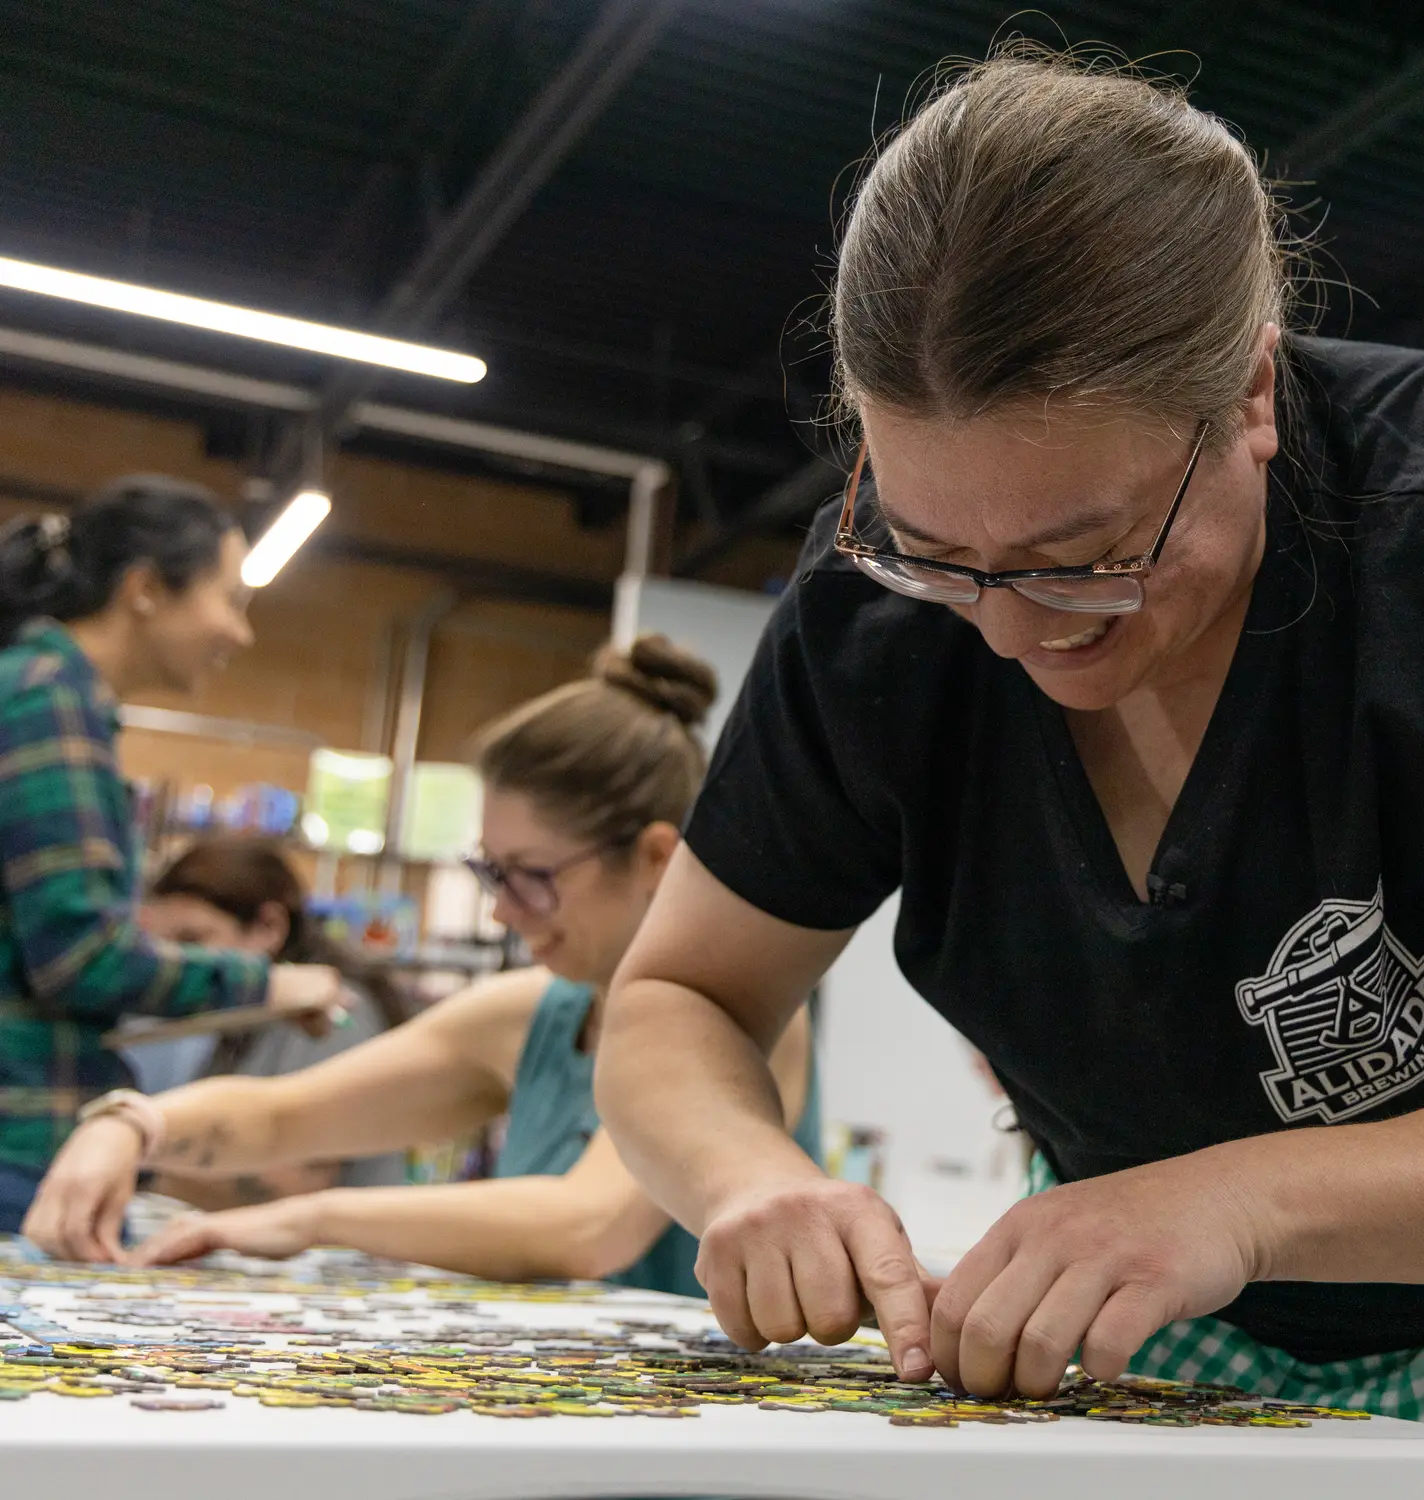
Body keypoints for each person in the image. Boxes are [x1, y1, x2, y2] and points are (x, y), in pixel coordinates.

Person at [595, 50, 1424, 1496]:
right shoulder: (880, 622)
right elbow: (677, 1001)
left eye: (1090, 555)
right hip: (1162, 1305)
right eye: (936, 549)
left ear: (1250, 388)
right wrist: (752, 1178)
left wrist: (1233, 1200)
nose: (1014, 627)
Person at [22, 636, 818, 1296]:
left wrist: (313, 1218)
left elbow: (587, 1227)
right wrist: (130, 1124)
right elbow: (284, 1115)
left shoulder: (747, 1014)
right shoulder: (537, 1010)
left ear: (652, 858)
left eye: (532, 877)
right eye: (490, 873)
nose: (502, 912)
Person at [0, 476, 346, 1234]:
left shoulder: (44, 690)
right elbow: (82, 958)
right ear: (146, 589)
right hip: (19, 1144)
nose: (240, 633)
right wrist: (268, 984)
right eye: (229, 600)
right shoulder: (47, 698)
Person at [132, 833, 418, 1201]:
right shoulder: (242, 1019)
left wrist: (127, 1163)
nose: (181, 964)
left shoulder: (333, 1012)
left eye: (193, 940)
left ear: (269, 927)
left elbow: (292, 1181)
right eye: (162, 948)